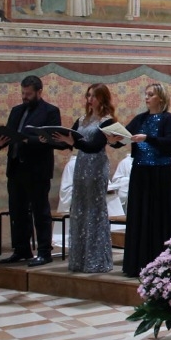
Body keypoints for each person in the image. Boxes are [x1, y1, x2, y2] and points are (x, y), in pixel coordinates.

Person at [50, 84, 122, 274]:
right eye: (88, 95)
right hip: (81, 166)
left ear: (102, 98)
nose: (89, 99)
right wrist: (49, 140)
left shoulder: (107, 122)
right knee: (79, 209)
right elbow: (68, 142)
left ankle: (96, 260)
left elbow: (94, 146)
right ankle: (80, 259)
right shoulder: (82, 119)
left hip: (96, 166)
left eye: (93, 96)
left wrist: (74, 142)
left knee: (95, 211)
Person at [0, 75, 62, 266]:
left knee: (40, 211)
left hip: (37, 169)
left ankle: (44, 251)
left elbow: (52, 140)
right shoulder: (17, 110)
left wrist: (27, 140)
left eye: (28, 94)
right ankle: (21, 249)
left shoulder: (50, 111)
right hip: (16, 167)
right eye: (23, 93)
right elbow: (9, 134)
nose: (24, 97)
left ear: (39, 92)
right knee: (17, 211)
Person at [121, 82, 171, 278]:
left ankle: (166, 262)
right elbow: (125, 135)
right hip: (141, 173)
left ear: (161, 98)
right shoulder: (140, 118)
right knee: (141, 215)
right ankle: (138, 263)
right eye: (146, 94)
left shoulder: (167, 118)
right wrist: (115, 139)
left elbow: (169, 143)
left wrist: (147, 138)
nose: (146, 98)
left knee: (160, 215)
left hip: (161, 174)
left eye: (151, 95)